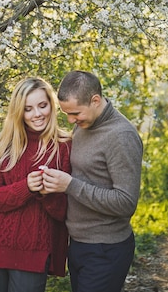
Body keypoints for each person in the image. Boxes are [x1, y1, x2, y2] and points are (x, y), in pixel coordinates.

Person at [41, 70, 144, 292]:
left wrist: (69, 185)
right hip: (79, 244)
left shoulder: (121, 136)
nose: (71, 120)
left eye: (75, 113)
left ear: (95, 100)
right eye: (66, 113)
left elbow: (126, 203)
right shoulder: (84, 124)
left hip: (106, 249)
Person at [0, 77, 72, 292]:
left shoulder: (65, 147)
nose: (37, 114)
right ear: (19, 112)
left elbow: (65, 212)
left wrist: (46, 193)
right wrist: (26, 187)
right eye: (28, 109)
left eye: (42, 106)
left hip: (33, 251)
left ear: (51, 106)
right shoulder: (5, 145)